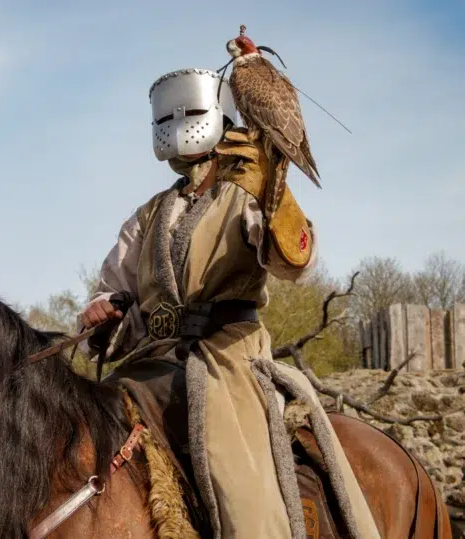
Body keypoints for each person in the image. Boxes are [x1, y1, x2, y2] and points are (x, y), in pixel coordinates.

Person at [77, 68, 380, 539]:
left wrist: (273, 198)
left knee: (241, 495)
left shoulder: (245, 190)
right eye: (165, 119)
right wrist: (101, 312)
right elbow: (113, 286)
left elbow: (294, 262)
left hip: (228, 359)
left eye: (189, 114)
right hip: (150, 363)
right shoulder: (147, 215)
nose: (177, 127)